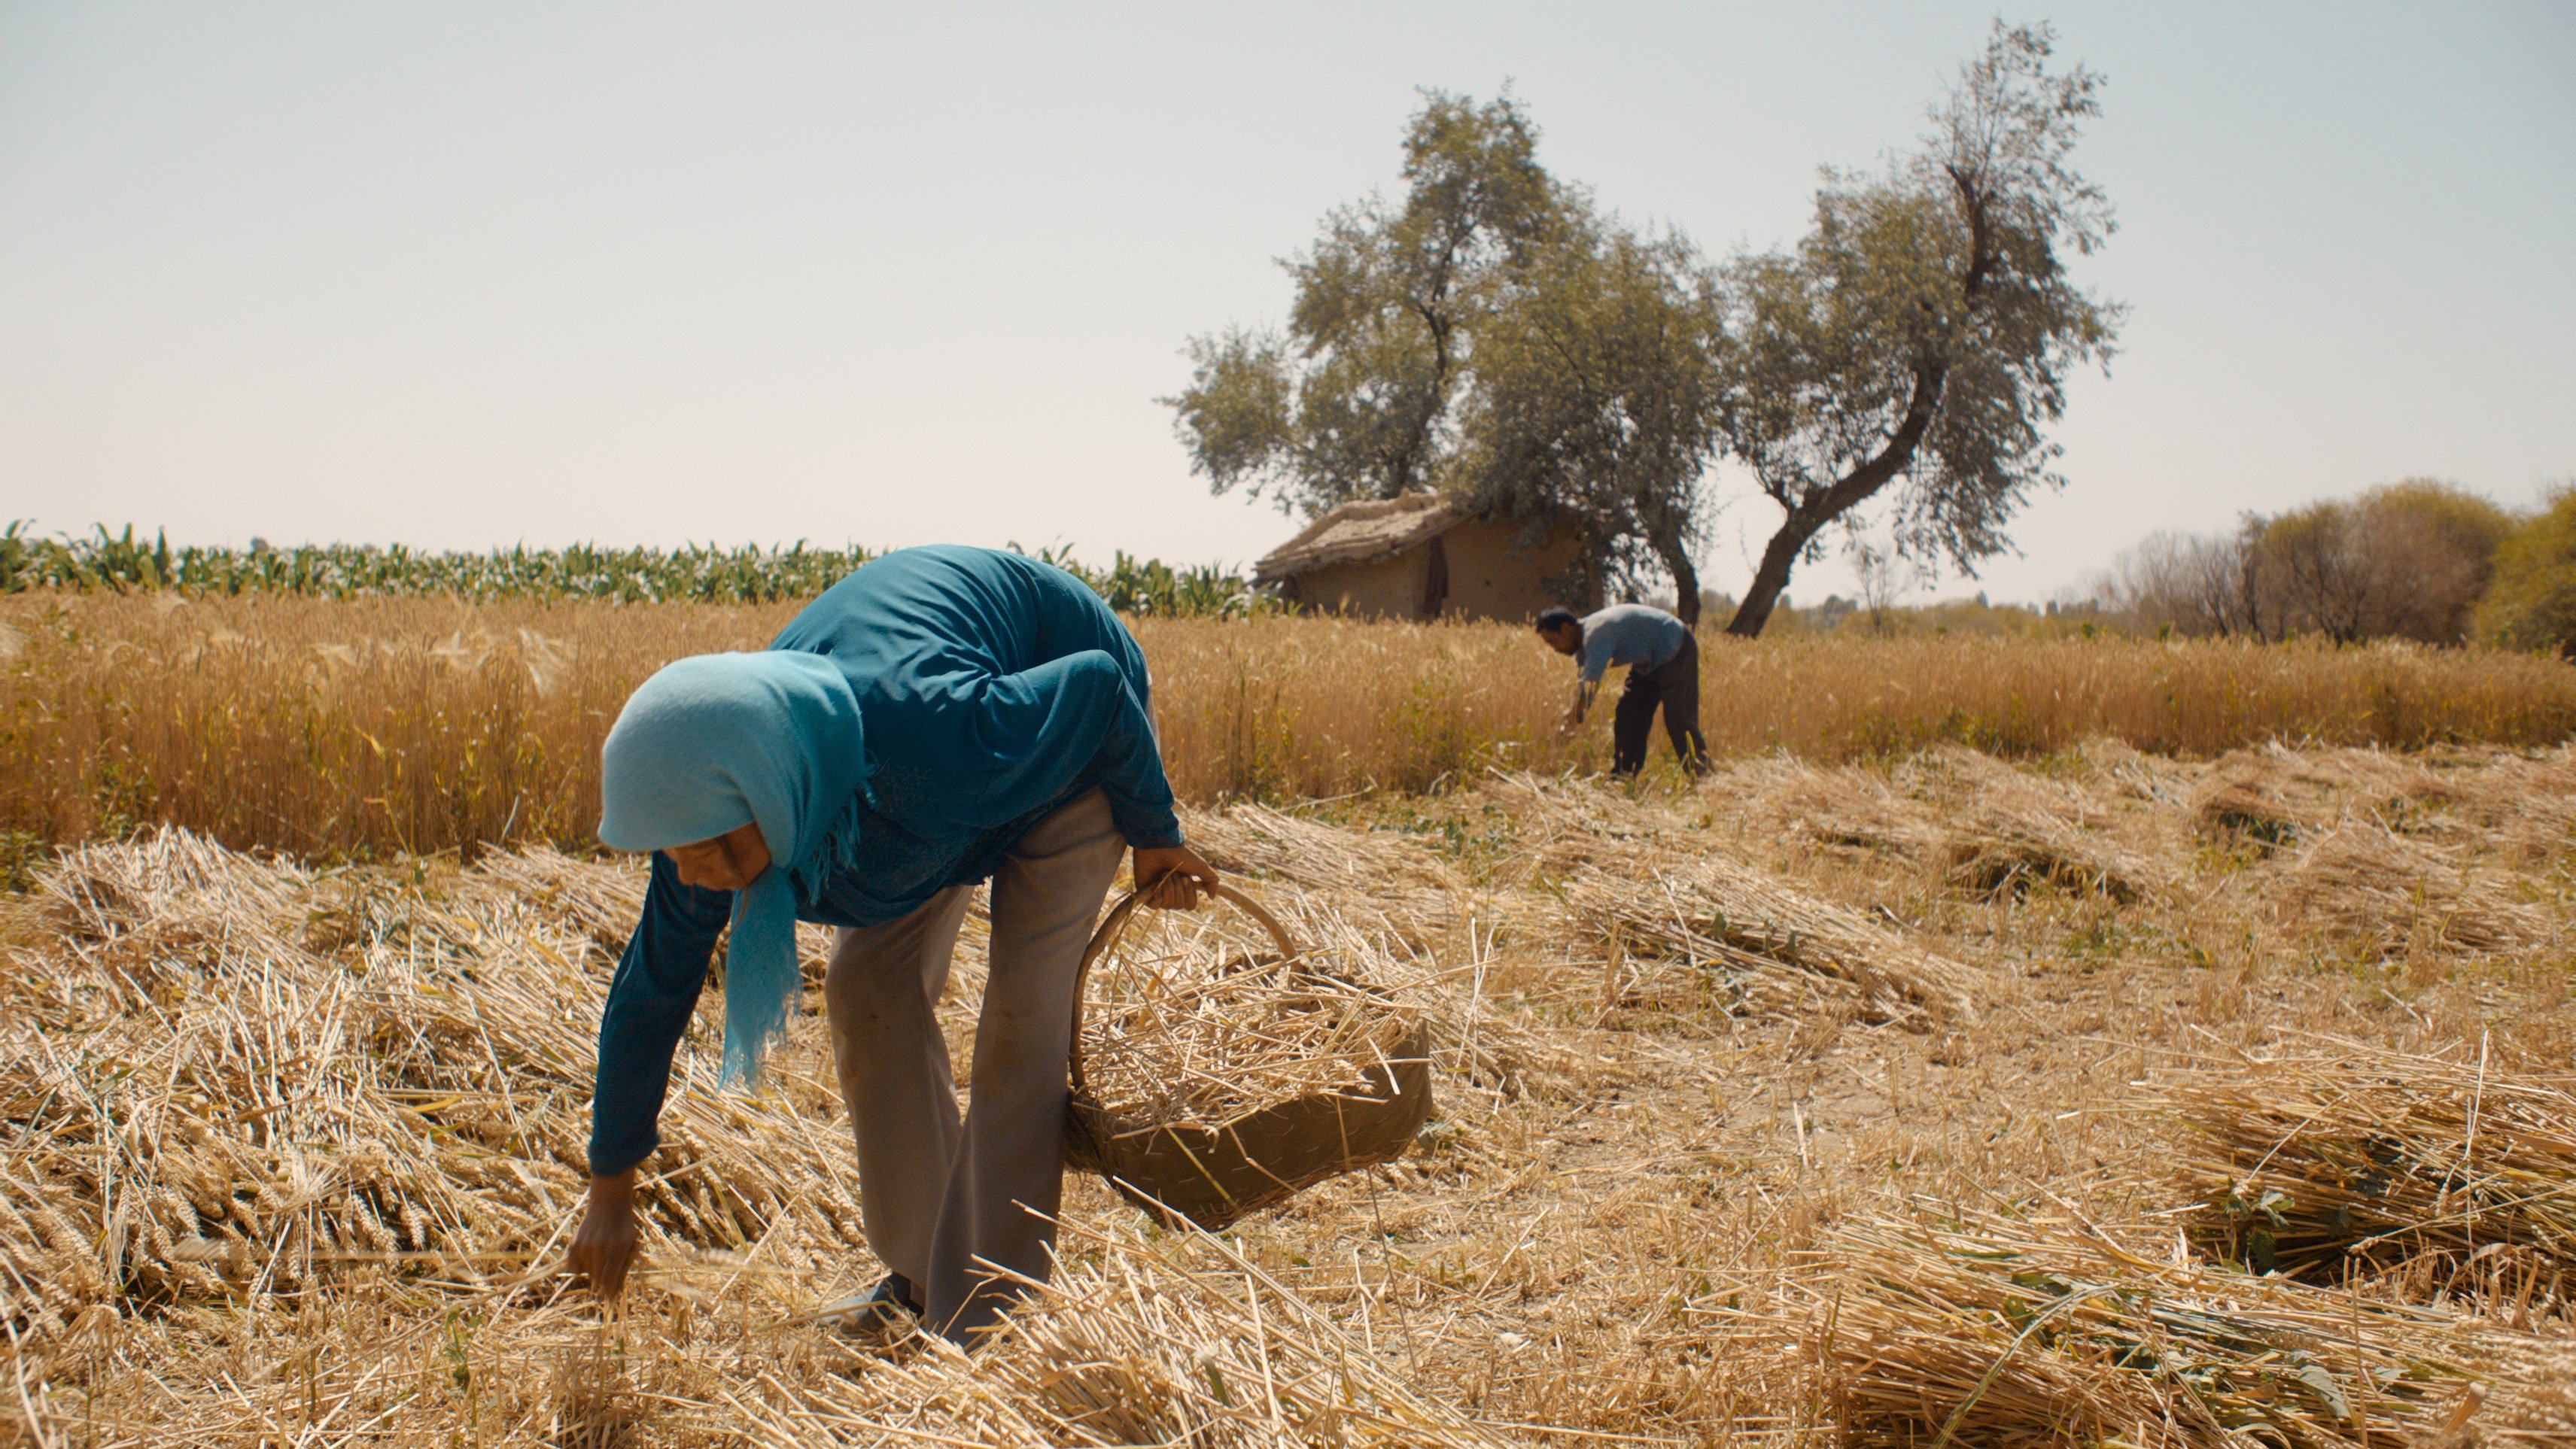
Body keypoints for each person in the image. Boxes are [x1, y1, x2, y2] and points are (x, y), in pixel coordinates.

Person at [564, 545, 1218, 1347]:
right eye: (672, 852)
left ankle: (989, 1323)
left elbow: (1098, 691)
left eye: (706, 846)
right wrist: (610, 1192)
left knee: (1020, 1026)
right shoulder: (715, 817)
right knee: (866, 988)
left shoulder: (932, 734)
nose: (697, 874)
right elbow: (650, 994)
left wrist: (1157, 834)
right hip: (911, 804)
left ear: (768, 786)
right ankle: (921, 1280)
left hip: (1072, 748)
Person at [1535, 603, 1708, 778]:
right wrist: (1573, 715)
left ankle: (1703, 777)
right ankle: (1624, 776)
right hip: (1647, 661)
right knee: (1629, 714)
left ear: (1565, 629)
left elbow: (1590, 685)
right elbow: (1583, 683)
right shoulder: (1583, 642)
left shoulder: (1596, 633)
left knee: (1679, 719)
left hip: (1676, 646)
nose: (1555, 649)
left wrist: (1572, 718)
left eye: (1553, 641)